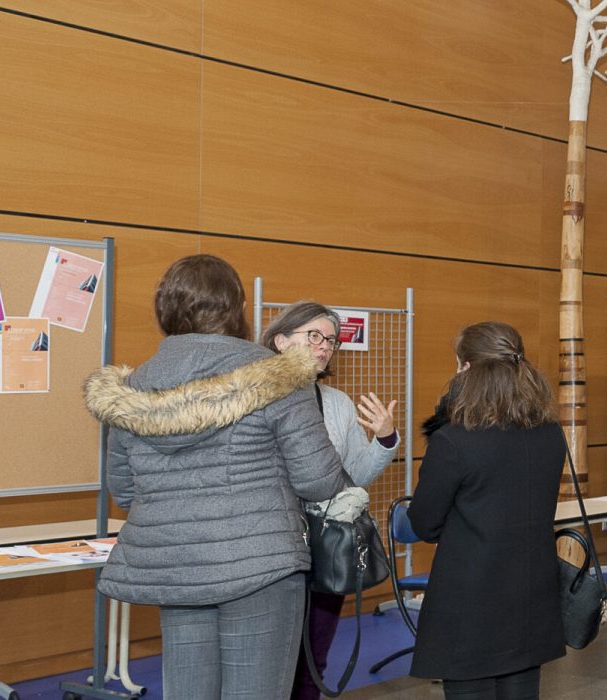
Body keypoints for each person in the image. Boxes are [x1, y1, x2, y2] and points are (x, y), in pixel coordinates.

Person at [82, 254, 347, 698]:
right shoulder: (279, 376)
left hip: (178, 567)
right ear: (237, 307)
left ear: (165, 308)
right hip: (263, 564)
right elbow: (317, 480)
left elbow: (125, 491)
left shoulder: (130, 391)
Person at [406, 322, 567, 698]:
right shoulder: (550, 433)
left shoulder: (454, 440)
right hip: (532, 598)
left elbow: (424, 523)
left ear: (466, 369)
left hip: (470, 605)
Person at [261, 302, 403, 700]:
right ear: (280, 340)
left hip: (325, 548)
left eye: (331, 340)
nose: (325, 347)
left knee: (314, 663)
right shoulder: (253, 399)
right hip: (270, 551)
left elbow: (353, 477)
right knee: (268, 665)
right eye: (314, 336)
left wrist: (386, 440)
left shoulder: (337, 403)